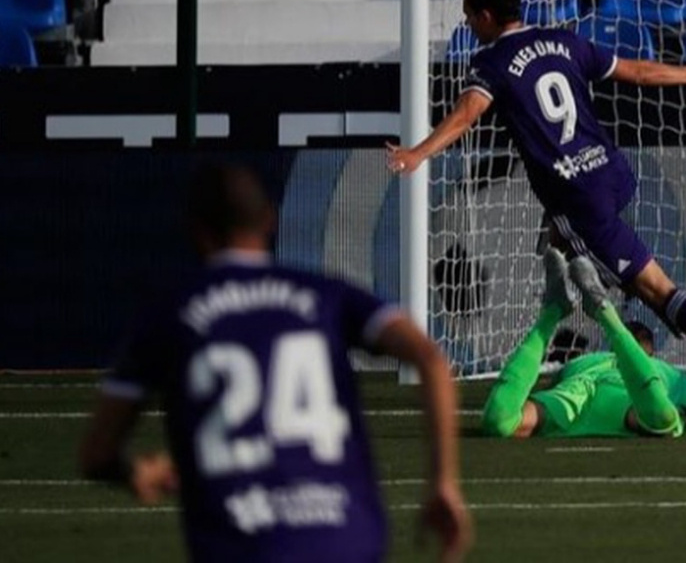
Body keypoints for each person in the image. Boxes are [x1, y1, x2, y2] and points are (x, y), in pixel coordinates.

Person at [387, 0, 686, 398]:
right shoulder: (565, 41)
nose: (467, 25)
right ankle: (570, 278)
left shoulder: (492, 63)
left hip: (580, 196)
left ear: (486, 15)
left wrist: (417, 153)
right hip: (611, 172)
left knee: (657, 291)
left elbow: (466, 115)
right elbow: (636, 71)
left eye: (469, 16)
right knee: (558, 242)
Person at [78, 164, 472, 563]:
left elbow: (97, 454)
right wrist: (444, 482)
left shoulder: (169, 313)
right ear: (270, 219)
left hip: (243, 544)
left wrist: (135, 473)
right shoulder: (327, 294)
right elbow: (430, 358)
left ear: (195, 230)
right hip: (347, 539)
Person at [480, 248, 686, 439]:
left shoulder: (580, 362)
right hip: (610, 404)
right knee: (665, 419)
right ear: (650, 352)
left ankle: (553, 311)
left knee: (498, 420)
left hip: (577, 403)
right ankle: (602, 311)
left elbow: (529, 388)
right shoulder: (667, 372)